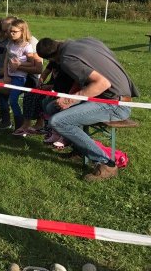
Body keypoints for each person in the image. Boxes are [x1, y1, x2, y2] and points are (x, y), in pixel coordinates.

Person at [36, 37, 139, 182]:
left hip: (116, 105)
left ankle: (106, 163)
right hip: (107, 97)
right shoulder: (86, 41)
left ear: (53, 58)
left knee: (57, 122)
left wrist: (70, 99)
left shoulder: (67, 59)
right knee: (52, 107)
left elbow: (102, 83)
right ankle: (80, 149)